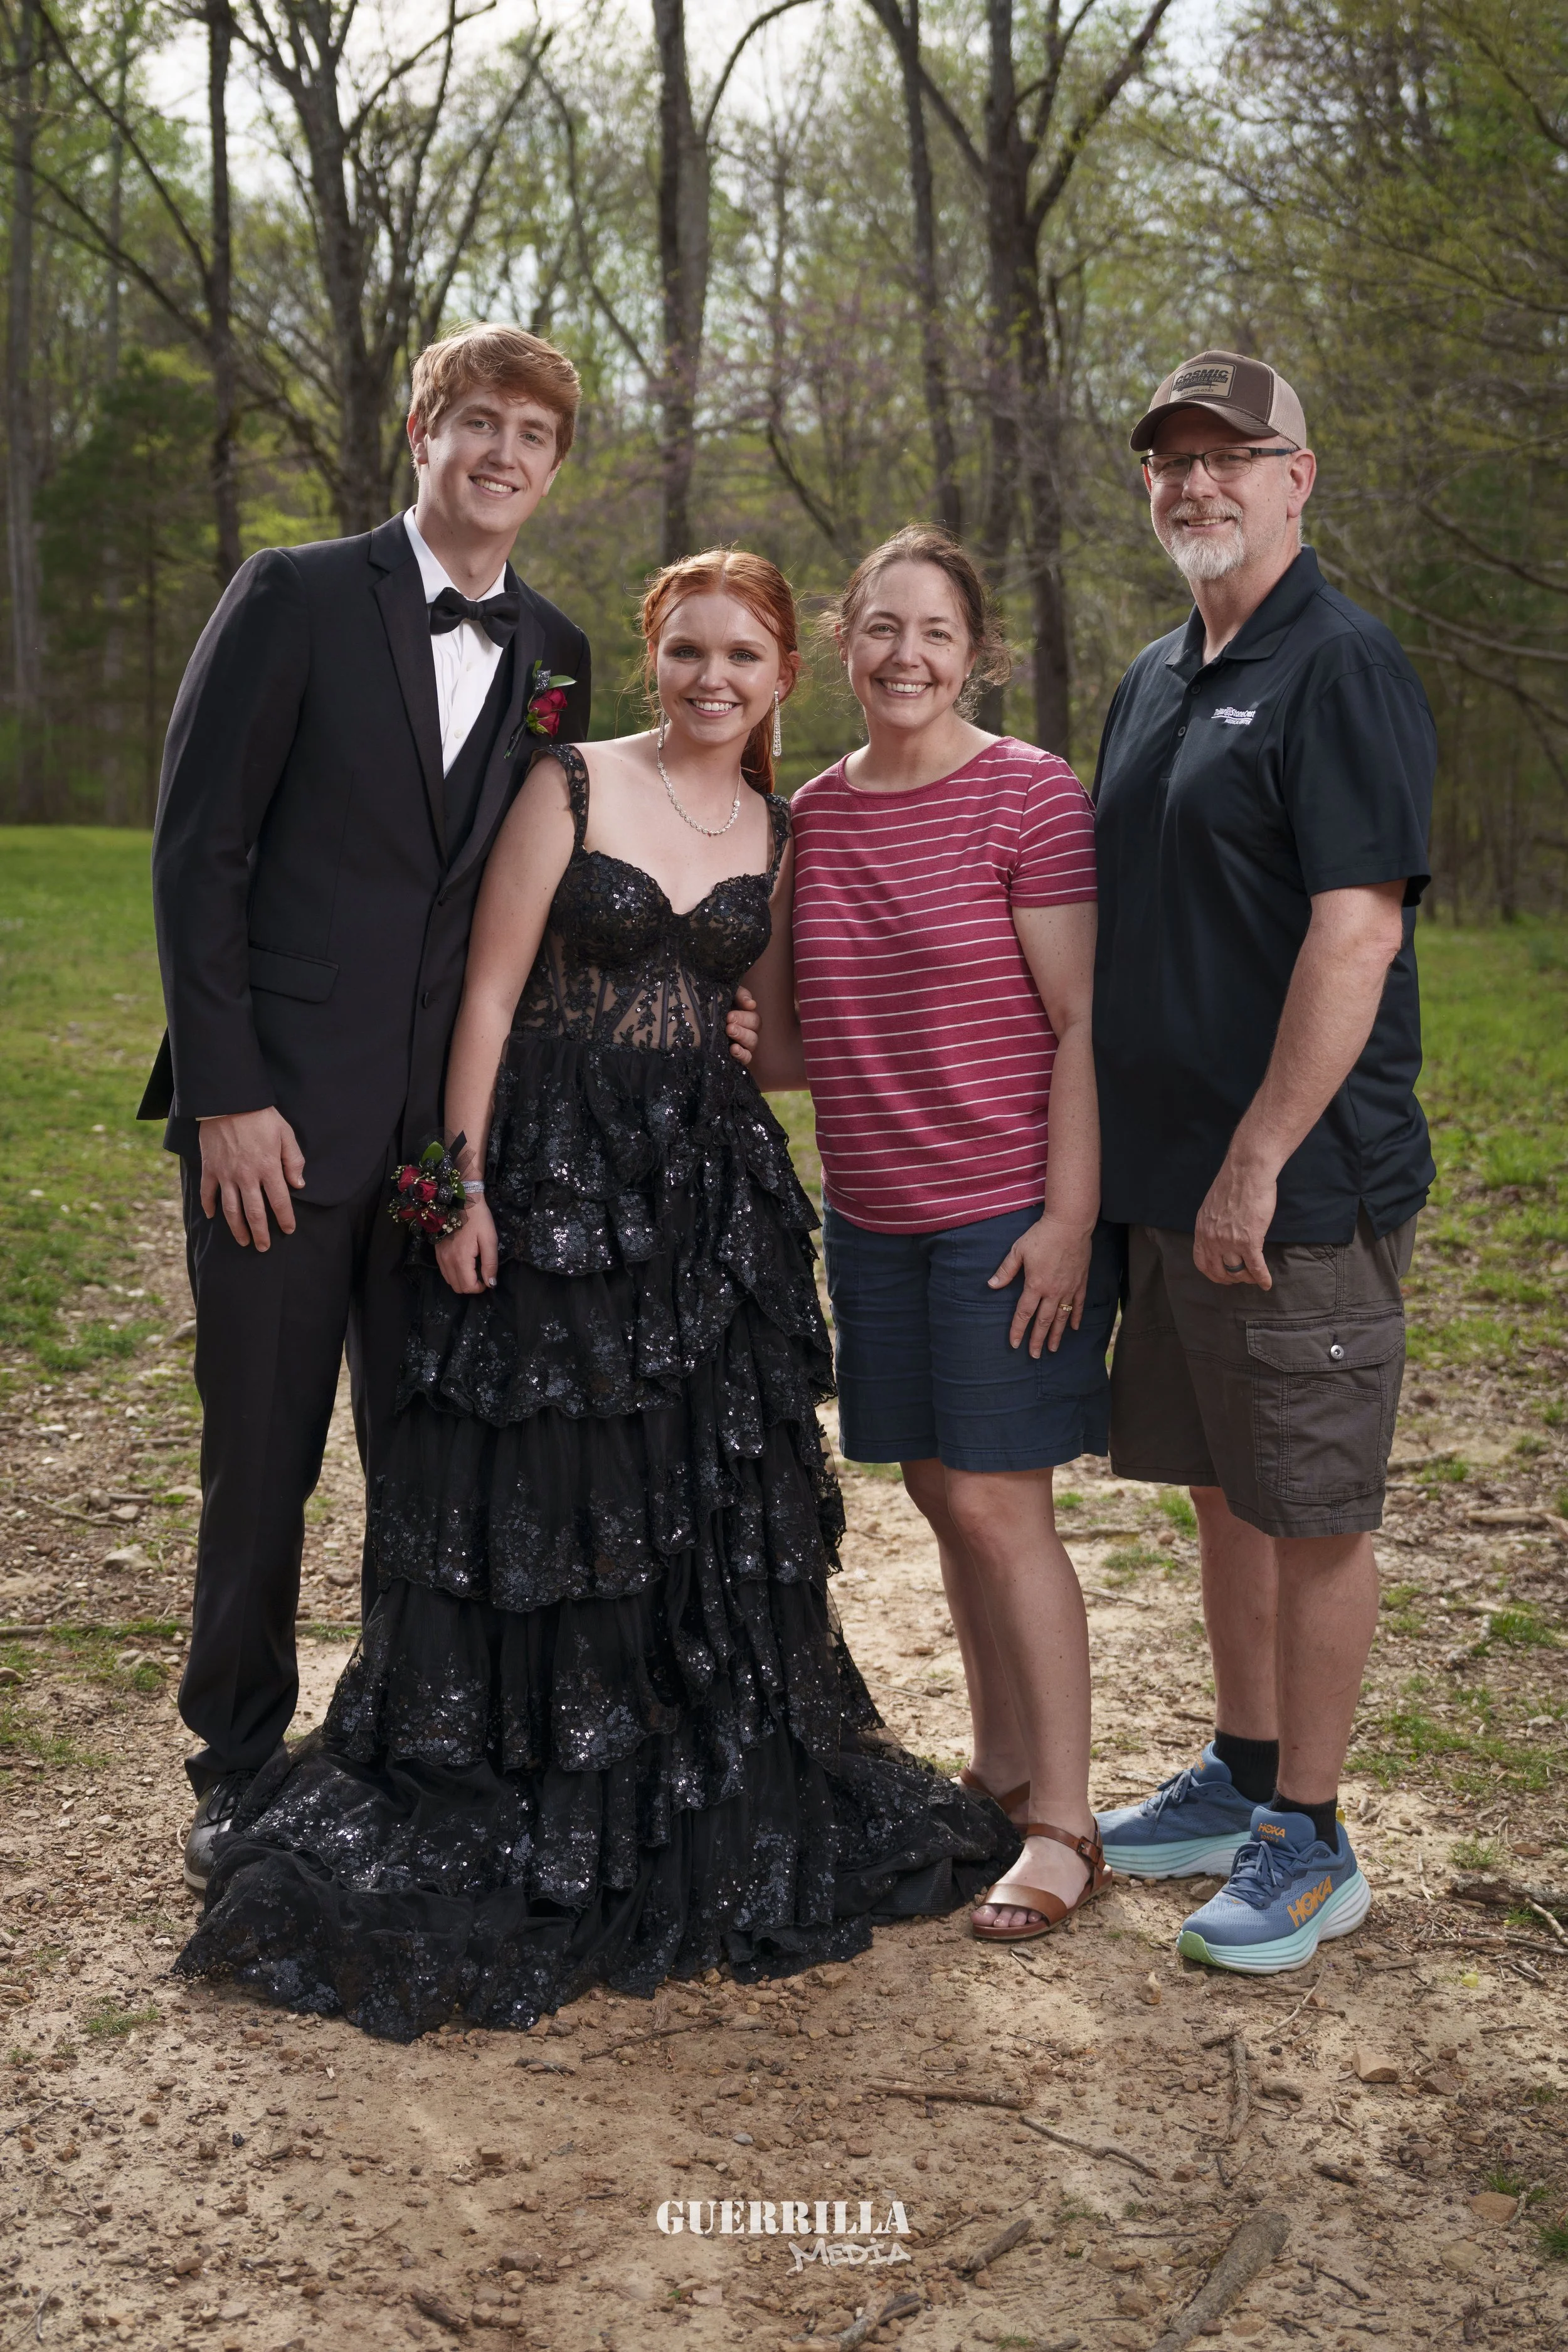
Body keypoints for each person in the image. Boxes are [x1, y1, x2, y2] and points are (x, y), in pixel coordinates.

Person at [175, 549, 1015, 2038]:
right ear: (652, 655)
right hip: (555, 1178)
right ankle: (517, 1767)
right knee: (555, 1482)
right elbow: (490, 992)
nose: (712, 679)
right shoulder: (568, 784)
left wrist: (754, 1022)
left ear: (778, 680)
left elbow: (785, 1050)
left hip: (706, 1196)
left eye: (742, 660)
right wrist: (468, 1185)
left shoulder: (784, 821)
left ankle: (672, 1756)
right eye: (688, 650)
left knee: (692, 1490)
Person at [140, 324, 597, 1889]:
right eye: (477, 422)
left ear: (552, 465)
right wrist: (226, 1097)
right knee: (260, 1457)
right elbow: (196, 852)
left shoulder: (558, 653)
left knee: (429, 1463)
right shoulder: (293, 593)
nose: (501, 455)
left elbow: (534, 904)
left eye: (531, 435)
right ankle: (237, 1758)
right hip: (272, 1124)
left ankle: (408, 1737)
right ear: (421, 430)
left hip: (433, 1140)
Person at [1089, 349, 1436, 1973]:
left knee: (1309, 1505)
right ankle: (1238, 1777)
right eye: (1171, 459)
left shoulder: (1337, 667)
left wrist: (1256, 1157)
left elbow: (1353, 931)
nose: (1196, 481)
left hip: (1292, 1184)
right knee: (1223, 1482)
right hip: (1166, 1179)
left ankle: (1313, 1829)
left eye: (1232, 456)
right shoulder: (1154, 676)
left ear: (1299, 477)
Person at [744, 526, 1120, 1944]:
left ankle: (1062, 1825)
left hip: (1004, 1209)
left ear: (976, 654)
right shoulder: (815, 814)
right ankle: (998, 1766)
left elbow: (1080, 1019)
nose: (907, 656)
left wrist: (1070, 1219)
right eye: (882, 629)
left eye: (935, 634)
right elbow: (791, 1044)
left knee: (993, 1502)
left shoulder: (1028, 793)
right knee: (929, 1487)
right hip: (872, 1211)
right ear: (843, 646)